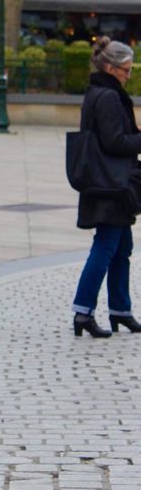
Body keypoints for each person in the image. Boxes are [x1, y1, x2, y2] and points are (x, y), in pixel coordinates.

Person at [72, 37, 141, 338]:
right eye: (126, 70)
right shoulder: (109, 96)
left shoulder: (98, 91)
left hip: (106, 183)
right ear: (112, 68)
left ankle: (120, 310)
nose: (129, 75)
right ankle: (83, 311)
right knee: (106, 246)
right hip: (111, 185)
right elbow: (114, 141)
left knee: (121, 247)